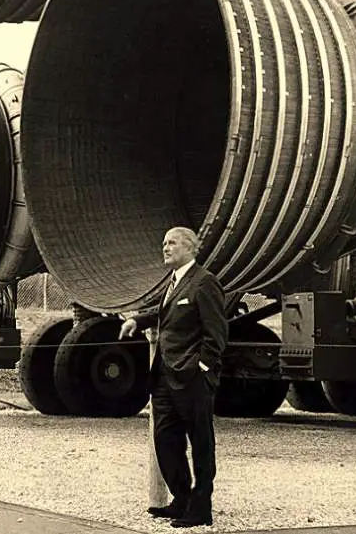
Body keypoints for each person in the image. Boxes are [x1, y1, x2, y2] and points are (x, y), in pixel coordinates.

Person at [119, 226, 228, 528]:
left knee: (201, 442)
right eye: (164, 242)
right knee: (165, 439)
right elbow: (165, 312)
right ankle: (181, 499)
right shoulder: (175, 282)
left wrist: (202, 369)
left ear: (191, 248)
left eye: (173, 243)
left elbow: (216, 334)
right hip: (165, 378)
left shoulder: (205, 283)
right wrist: (136, 320)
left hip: (192, 378)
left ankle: (201, 507)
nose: (165, 248)